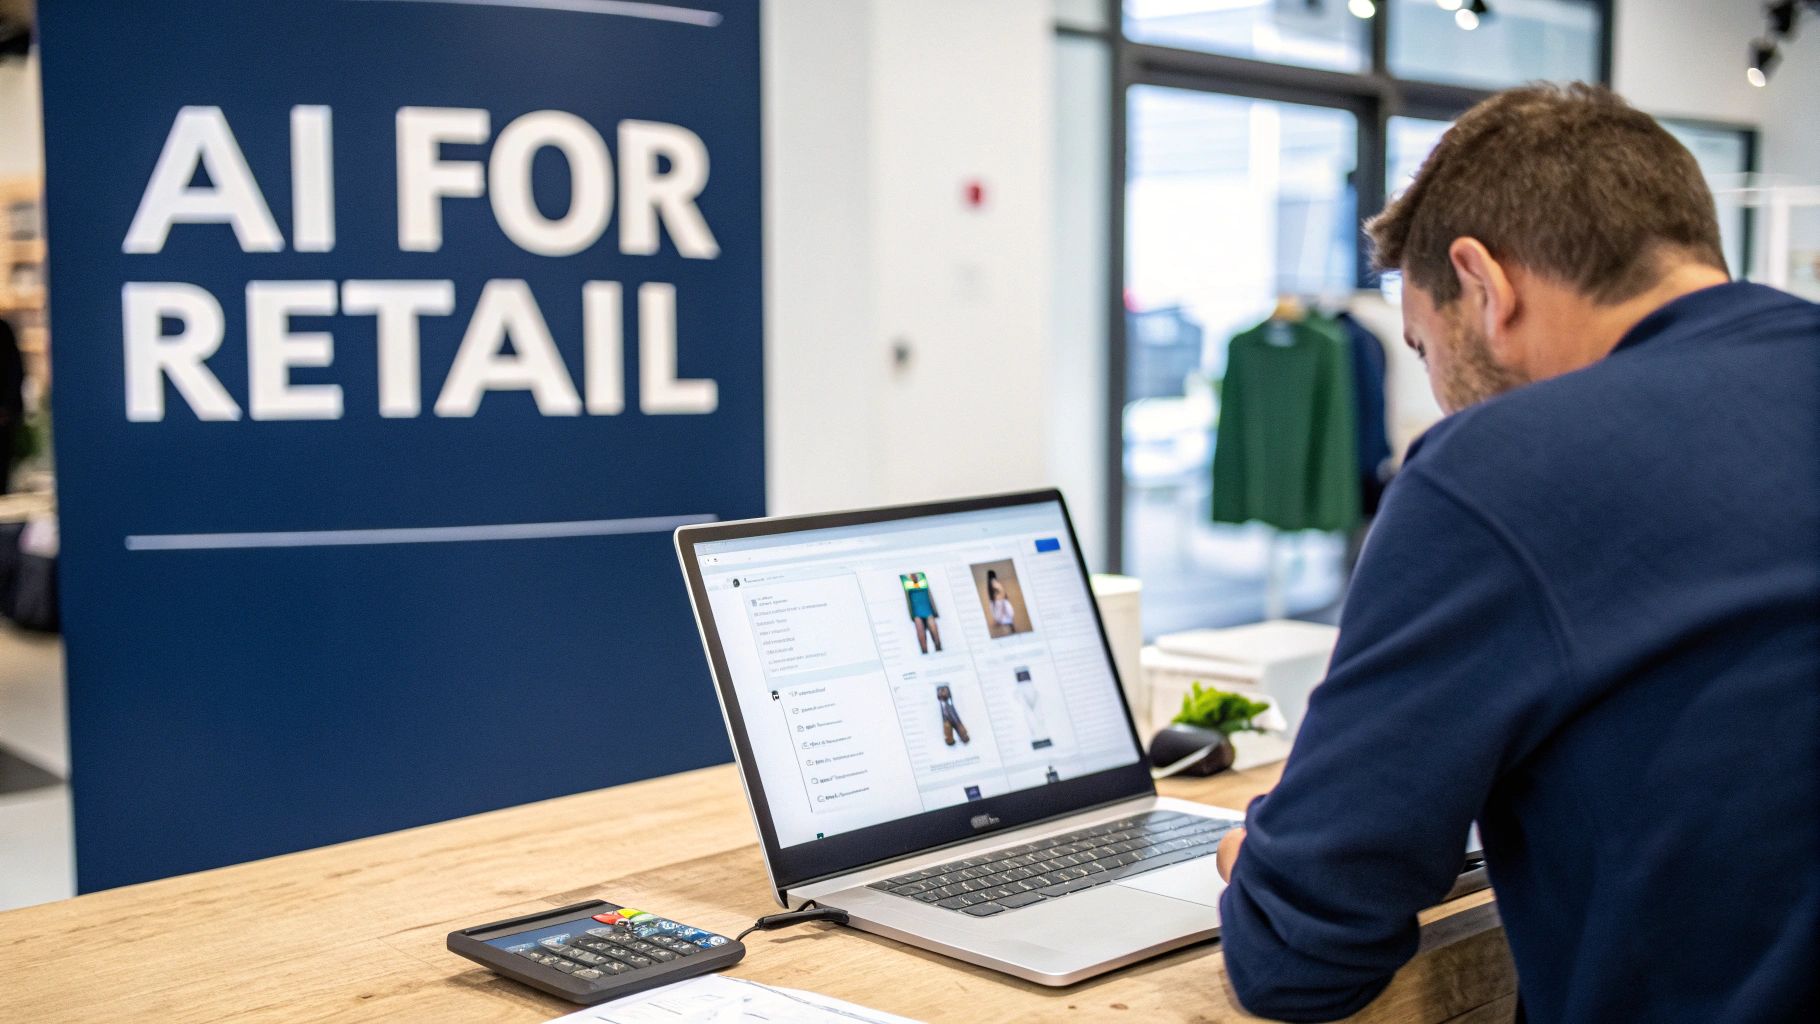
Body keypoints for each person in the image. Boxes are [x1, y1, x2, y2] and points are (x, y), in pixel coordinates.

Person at [1213, 84, 1819, 1023]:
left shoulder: (1500, 468)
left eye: (1424, 348)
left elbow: (1301, 955)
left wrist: (1261, 859)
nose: (1440, 391)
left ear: (1484, 285)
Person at [987, 570, 1017, 635]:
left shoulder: (995, 586)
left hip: (1005, 621)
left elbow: (1002, 608)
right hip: (1005, 621)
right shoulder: (996, 599)